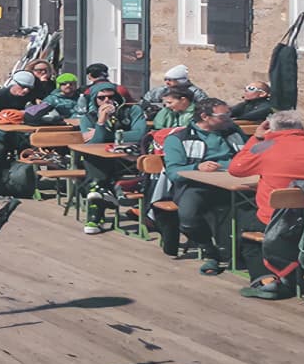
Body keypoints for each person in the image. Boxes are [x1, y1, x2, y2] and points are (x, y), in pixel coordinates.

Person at [228, 111, 304, 299]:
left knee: (243, 223)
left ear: (271, 128)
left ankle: (267, 281)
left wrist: (256, 137)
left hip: (276, 220)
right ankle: (289, 275)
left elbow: (236, 169)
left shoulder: (267, 146)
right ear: (301, 128)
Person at [161, 98, 250, 275]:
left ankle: (241, 253)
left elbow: (249, 155)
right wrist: (196, 167)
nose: (229, 119)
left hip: (232, 182)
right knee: (188, 216)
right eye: (223, 116)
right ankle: (210, 250)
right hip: (196, 185)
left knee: (251, 209)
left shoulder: (233, 132)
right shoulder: (179, 139)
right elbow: (173, 172)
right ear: (204, 116)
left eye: (229, 115)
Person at [79, 82, 148, 235]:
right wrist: (101, 121)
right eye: (101, 98)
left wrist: (105, 134)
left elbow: (140, 134)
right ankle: (100, 200)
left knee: (95, 173)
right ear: (94, 100)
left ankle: (96, 207)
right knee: (94, 159)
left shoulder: (132, 110)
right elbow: (96, 143)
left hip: (129, 157)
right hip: (102, 159)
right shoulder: (88, 117)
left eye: (110, 97)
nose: (106, 101)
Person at [0, 71, 36, 158]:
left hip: (19, 130)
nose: (26, 90)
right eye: (23, 86)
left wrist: (2, 114)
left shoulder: (30, 97)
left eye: (29, 88)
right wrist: (14, 115)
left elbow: (32, 114)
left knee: (29, 145)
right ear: (14, 83)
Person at [140, 65, 208, 110]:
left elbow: (203, 107)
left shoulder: (196, 93)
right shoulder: (161, 90)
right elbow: (146, 101)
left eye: (170, 80)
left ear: (181, 80)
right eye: (165, 79)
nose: (167, 82)